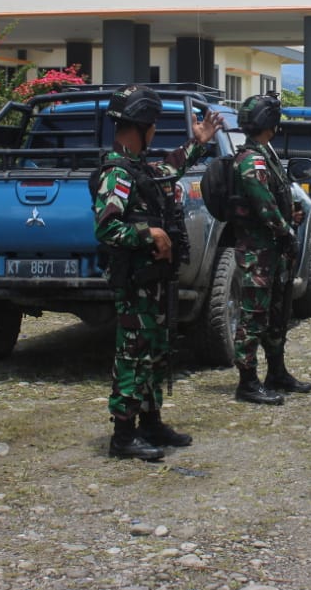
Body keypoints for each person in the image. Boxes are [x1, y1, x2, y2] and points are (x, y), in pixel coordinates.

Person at [92, 84, 223, 460]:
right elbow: (106, 227)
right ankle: (123, 435)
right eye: (152, 125)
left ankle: (150, 422)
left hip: (153, 281)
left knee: (155, 351)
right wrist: (148, 232)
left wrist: (196, 143)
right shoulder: (116, 172)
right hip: (135, 281)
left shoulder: (138, 168)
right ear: (143, 126)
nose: (153, 132)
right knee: (132, 354)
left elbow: (167, 169)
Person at [228, 92, 311, 405]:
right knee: (253, 316)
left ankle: (276, 372)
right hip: (258, 251)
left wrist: (290, 216)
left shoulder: (265, 153)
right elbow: (263, 206)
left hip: (272, 250)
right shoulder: (252, 159)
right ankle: (247, 383)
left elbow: (274, 198)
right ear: (270, 123)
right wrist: (286, 228)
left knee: (277, 312)